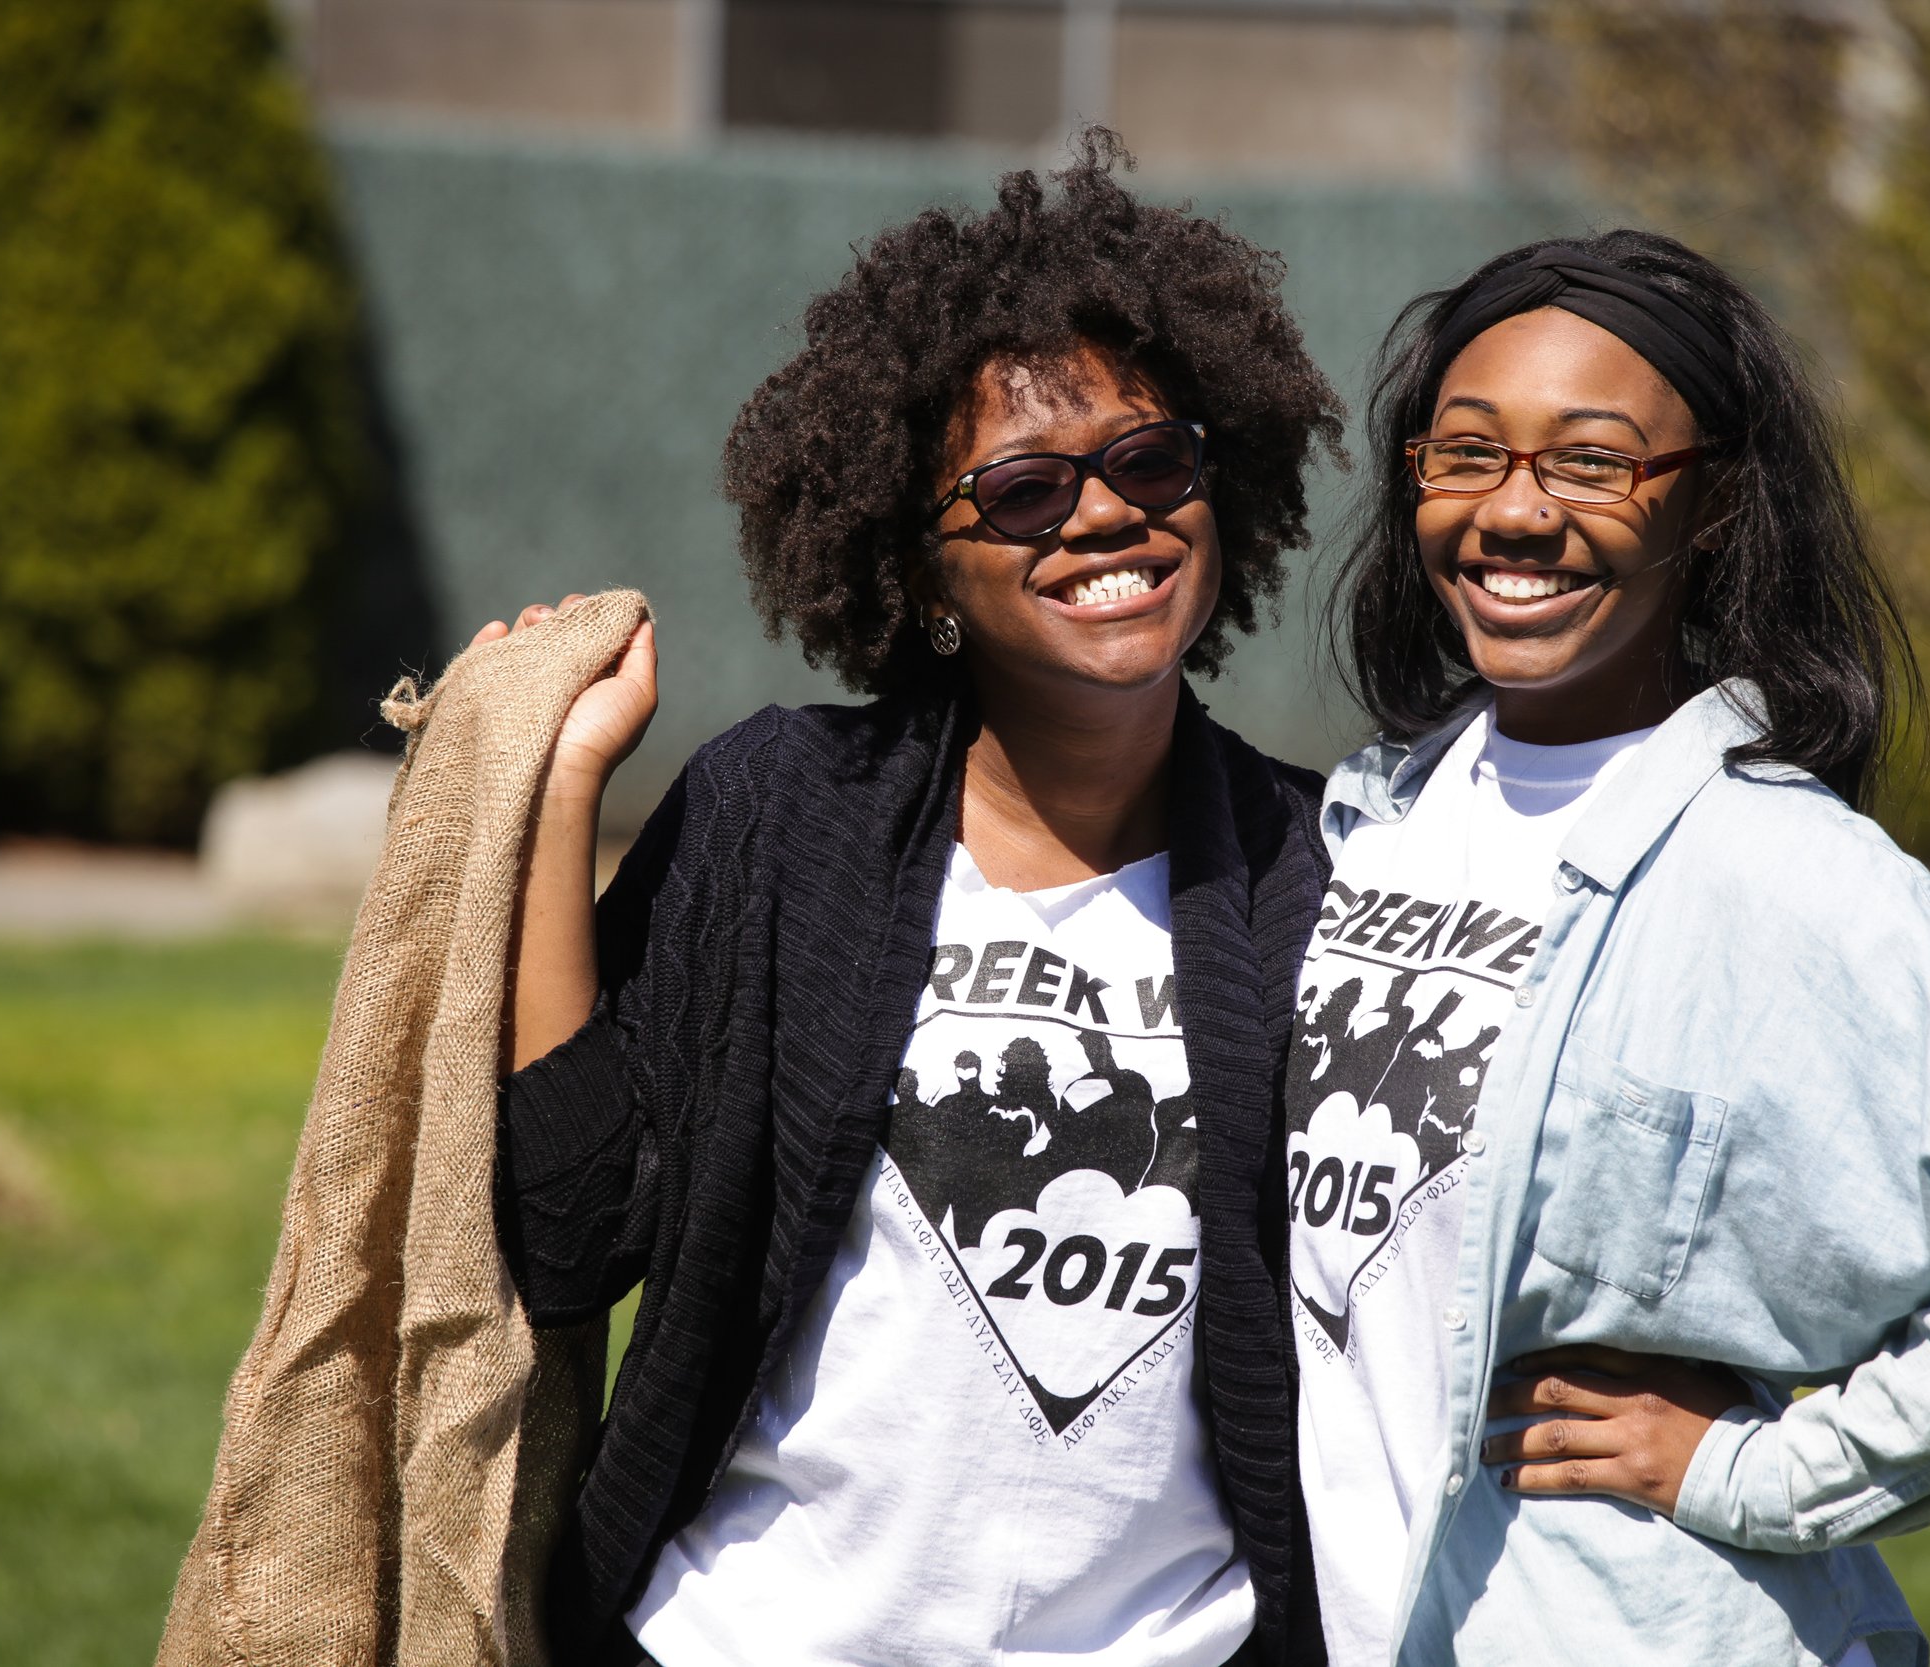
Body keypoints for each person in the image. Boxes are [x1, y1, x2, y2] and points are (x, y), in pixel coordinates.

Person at [1293, 229, 1930, 1666]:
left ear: (1719, 504)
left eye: (1593, 461)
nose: (1514, 512)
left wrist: (1769, 1474)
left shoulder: (1780, 869)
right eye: (1468, 453)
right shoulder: (1365, 825)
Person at [482, 135, 1342, 1666]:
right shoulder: (781, 816)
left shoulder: (1310, 867)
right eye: (1021, 490)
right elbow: (570, 1226)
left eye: (1150, 462)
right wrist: (561, 792)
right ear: (925, 565)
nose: (1103, 518)